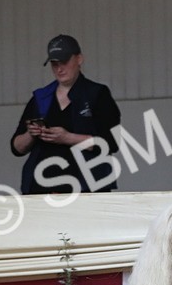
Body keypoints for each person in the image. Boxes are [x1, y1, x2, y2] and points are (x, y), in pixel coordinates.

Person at [10, 34, 121, 195]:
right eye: (54, 64)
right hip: (40, 189)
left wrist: (67, 138)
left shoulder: (97, 94)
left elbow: (111, 143)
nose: (59, 69)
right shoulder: (41, 97)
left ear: (79, 59)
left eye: (64, 62)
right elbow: (16, 148)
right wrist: (31, 134)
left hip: (86, 189)